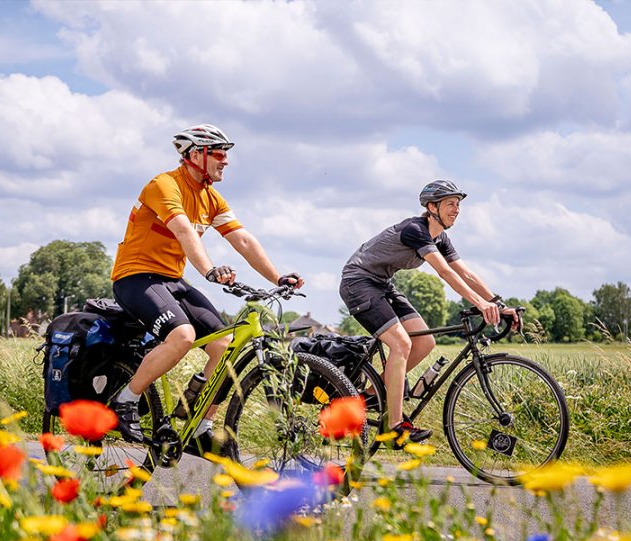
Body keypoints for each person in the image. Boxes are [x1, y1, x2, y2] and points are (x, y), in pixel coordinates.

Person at [110, 123, 304, 453]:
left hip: (172, 280)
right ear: (194, 155)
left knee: (224, 345)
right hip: (137, 276)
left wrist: (276, 278)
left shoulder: (210, 198)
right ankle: (126, 399)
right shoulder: (164, 185)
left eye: (226, 154)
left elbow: (241, 239)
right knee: (183, 336)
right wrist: (210, 270)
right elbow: (185, 232)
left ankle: (200, 423)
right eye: (218, 153)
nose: (225, 160)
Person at [339, 180, 519, 444]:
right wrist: (480, 304)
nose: (456, 209)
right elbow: (444, 271)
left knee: (424, 342)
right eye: (450, 204)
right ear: (432, 207)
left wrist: (497, 303)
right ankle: (395, 426)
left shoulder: (441, 238)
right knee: (401, 343)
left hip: (383, 284)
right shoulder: (416, 230)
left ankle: (368, 396)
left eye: (458, 205)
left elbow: (465, 272)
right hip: (358, 282)